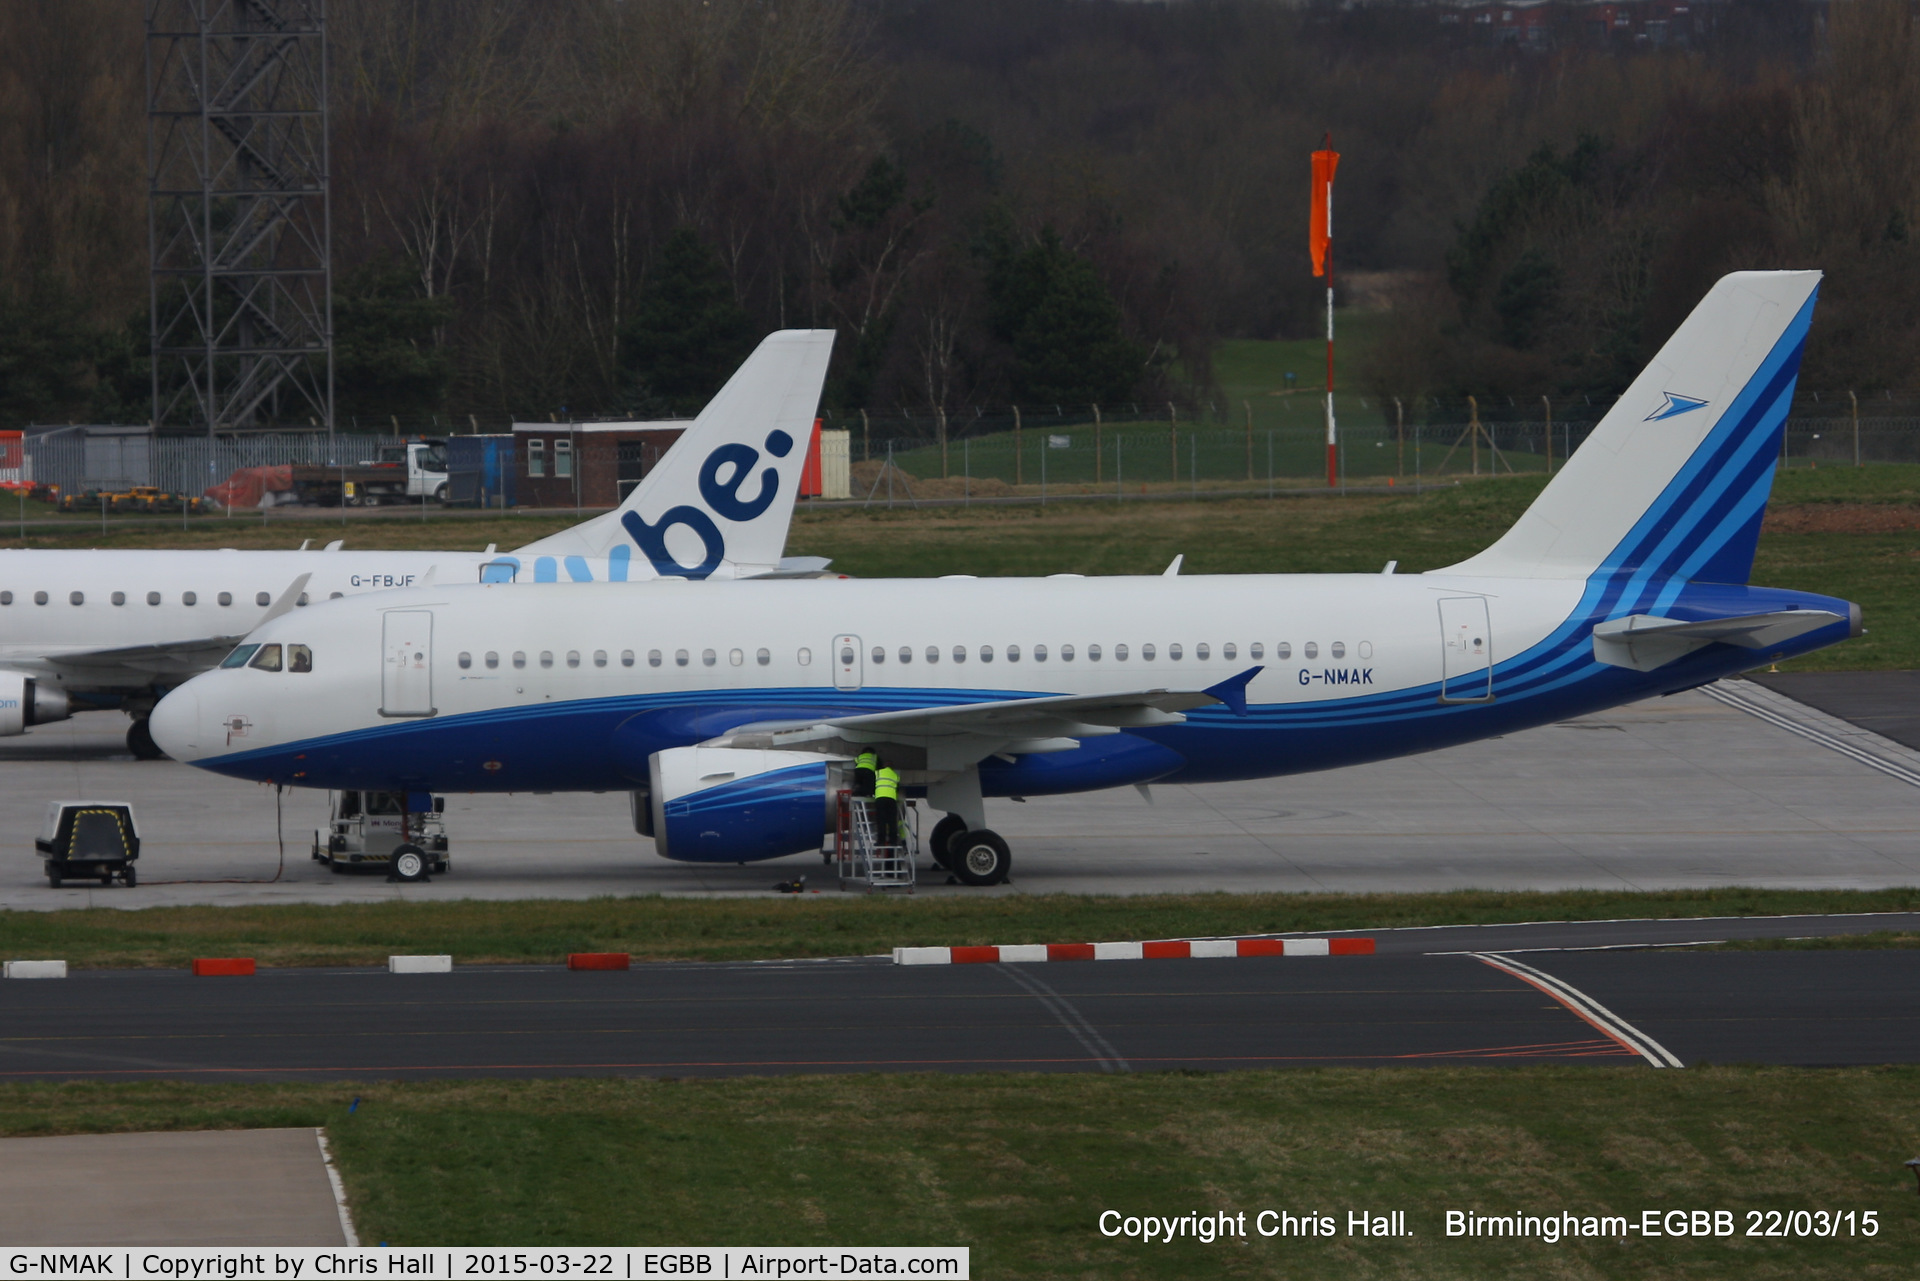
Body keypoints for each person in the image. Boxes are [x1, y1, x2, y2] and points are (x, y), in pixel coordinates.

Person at [871, 760, 901, 848]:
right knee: (892, 821)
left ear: (884, 766)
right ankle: (893, 841)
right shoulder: (895, 776)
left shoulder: (878, 773)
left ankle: (881, 841)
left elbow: (873, 784)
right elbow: (897, 789)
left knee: (881, 820)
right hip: (891, 800)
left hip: (880, 798)